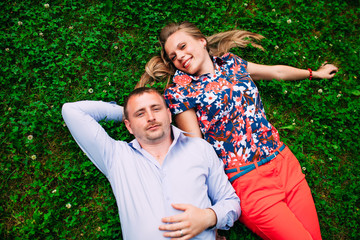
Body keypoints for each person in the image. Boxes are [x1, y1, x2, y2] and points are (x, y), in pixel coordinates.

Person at [138, 21, 339, 240]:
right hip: (248, 181)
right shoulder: (180, 90)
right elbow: (197, 151)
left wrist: (315, 74)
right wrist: (210, 217)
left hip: (284, 162)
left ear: (201, 41)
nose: (180, 57)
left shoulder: (231, 63)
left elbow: (276, 72)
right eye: (173, 56)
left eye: (183, 46)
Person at [61, 87, 240, 240]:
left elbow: (231, 202)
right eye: (140, 113)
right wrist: (125, 112)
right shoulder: (116, 156)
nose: (150, 117)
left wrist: (209, 217)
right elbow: (72, 111)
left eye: (156, 109)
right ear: (129, 126)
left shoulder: (199, 149)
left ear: (169, 115)